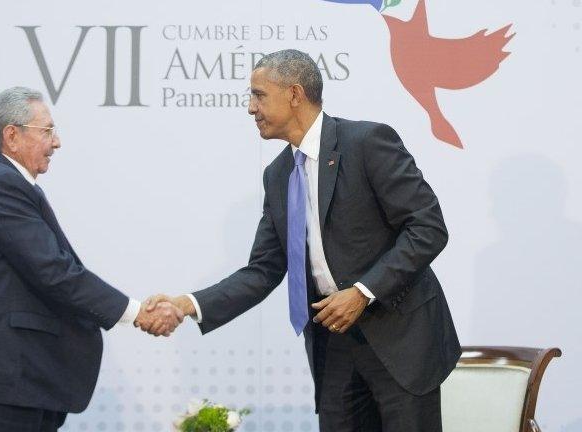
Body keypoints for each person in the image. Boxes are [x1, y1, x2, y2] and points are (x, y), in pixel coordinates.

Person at [149, 50, 460, 431]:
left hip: (400, 340)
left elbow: (427, 228)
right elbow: (262, 271)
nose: (250, 108)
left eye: (259, 95)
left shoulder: (366, 142)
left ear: (295, 94)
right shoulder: (278, 175)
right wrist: (186, 304)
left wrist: (363, 291)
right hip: (334, 346)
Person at [0, 87, 182, 432]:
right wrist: (136, 312)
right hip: (0, 385)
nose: (57, 142)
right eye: (47, 131)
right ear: (12, 136)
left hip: (17, 382)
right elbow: (54, 272)